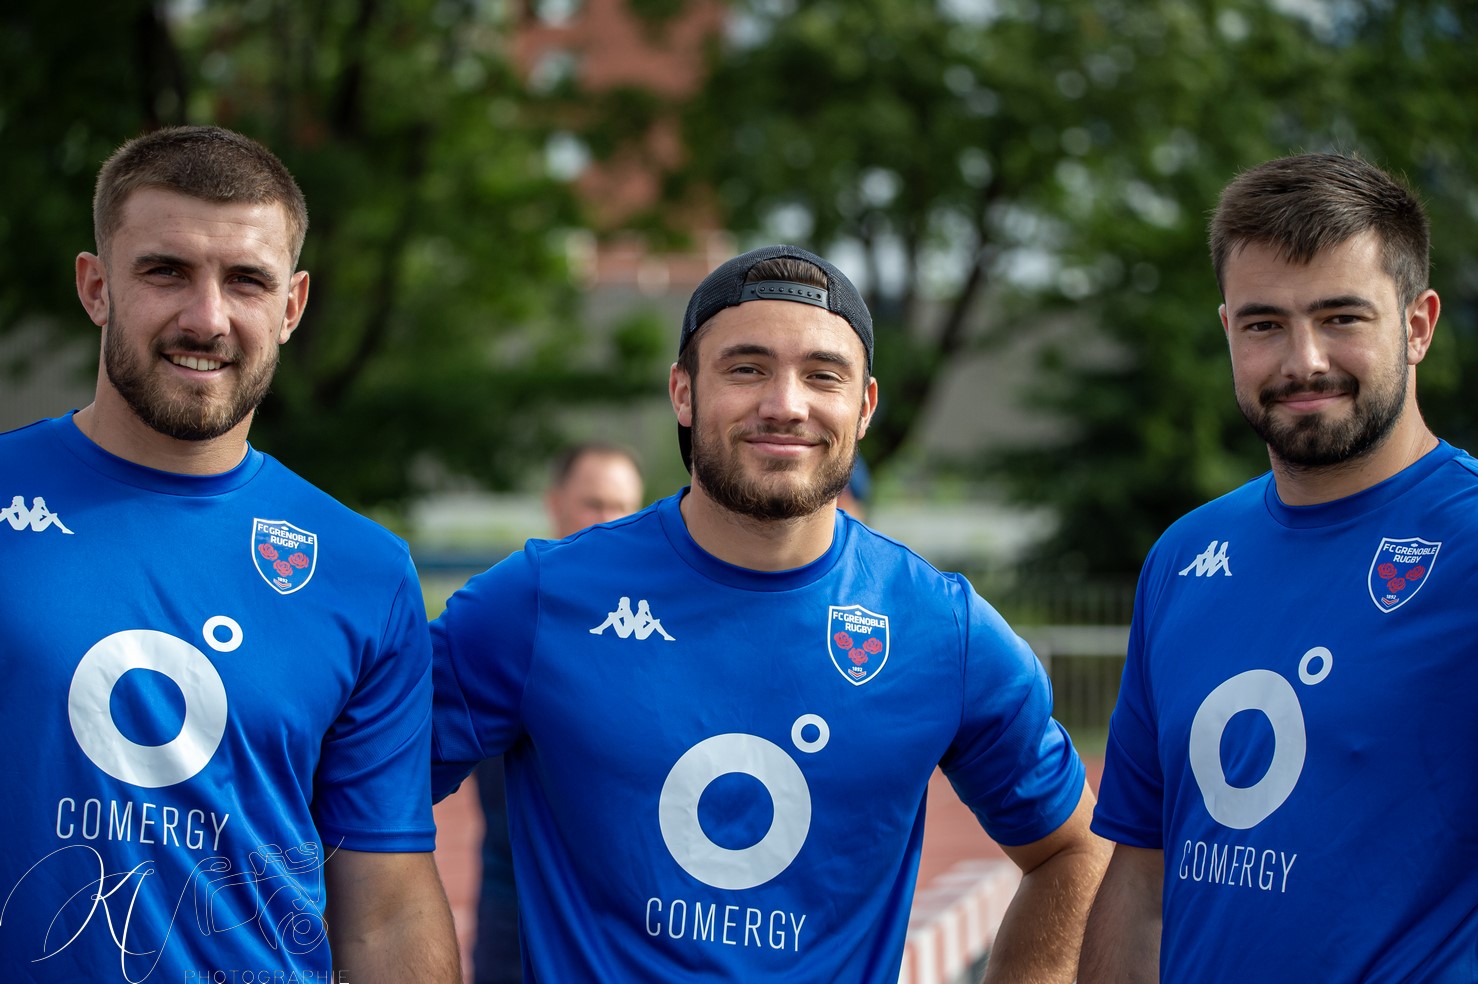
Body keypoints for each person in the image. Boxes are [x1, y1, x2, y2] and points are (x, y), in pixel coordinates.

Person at [431, 244, 1109, 981]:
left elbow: (1074, 849)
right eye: (747, 369)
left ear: (864, 407)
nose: (786, 404)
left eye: (823, 375)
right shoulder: (538, 600)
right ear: (683, 392)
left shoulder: (940, 630)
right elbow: (361, 797)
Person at [0, 125, 460, 983]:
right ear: (96, 287)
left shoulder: (365, 572)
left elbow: (387, 905)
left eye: (246, 280)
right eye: (165, 271)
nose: (206, 318)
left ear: (291, 307)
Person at [1078, 153, 1478, 982]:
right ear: (1228, 330)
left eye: (1341, 317)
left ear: (1418, 325)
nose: (1305, 361)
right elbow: (1142, 875)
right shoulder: (1183, 557)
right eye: (1265, 325)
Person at [472, 442, 644, 984]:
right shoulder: (513, 609)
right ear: (555, 503)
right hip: (516, 899)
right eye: (594, 503)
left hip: (628, 915)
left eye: (622, 507)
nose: (607, 520)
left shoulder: (655, 626)